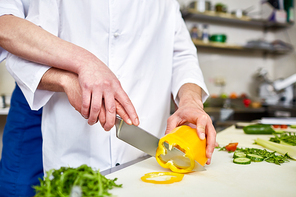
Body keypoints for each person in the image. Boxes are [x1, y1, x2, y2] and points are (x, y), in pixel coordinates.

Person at [0, 1, 138, 196]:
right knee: (19, 187)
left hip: (86, 95)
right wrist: (85, 65)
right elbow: (5, 27)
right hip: (31, 98)